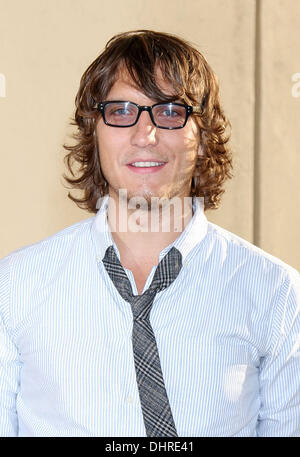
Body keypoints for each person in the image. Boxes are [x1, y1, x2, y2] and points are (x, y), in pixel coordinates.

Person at [0, 30, 299, 438]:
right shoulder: (14, 288)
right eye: (122, 111)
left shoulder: (278, 295)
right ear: (94, 132)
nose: (146, 135)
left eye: (171, 112)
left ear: (204, 135)